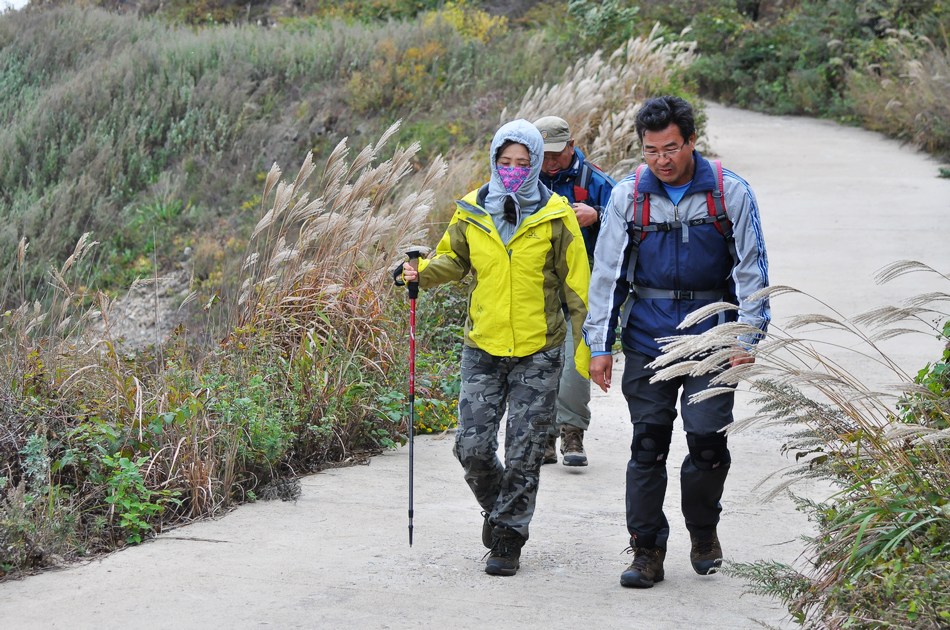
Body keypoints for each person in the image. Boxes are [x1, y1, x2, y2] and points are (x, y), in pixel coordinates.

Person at [583, 96, 770, 588]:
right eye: (650, 150)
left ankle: (703, 531)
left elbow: (752, 272)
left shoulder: (730, 193)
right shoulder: (627, 196)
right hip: (648, 336)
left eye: (670, 148)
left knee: (707, 443)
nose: (661, 160)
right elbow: (607, 277)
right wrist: (599, 346)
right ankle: (647, 550)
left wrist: (747, 336)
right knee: (648, 445)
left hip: (714, 336)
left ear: (691, 141)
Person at [398, 119, 590, 577]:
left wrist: (585, 354)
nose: (513, 171)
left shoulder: (557, 217)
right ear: (493, 161)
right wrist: (419, 272)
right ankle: (501, 508)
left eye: (523, 164)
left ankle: (508, 539)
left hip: (538, 351)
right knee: (472, 448)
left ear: (538, 164)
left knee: (524, 452)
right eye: (505, 162)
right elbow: (453, 259)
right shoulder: (472, 212)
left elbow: (577, 292)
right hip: (482, 348)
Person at [533, 115, 615, 467]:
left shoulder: (596, 182)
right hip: (537, 290)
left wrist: (597, 214)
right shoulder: (525, 180)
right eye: (543, 154)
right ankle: (542, 436)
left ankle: (572, 433)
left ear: (571, 146)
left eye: (556, 153)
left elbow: (630, 224)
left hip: (583, 293)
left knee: (574, 366)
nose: (550, 162)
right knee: (538, 366)